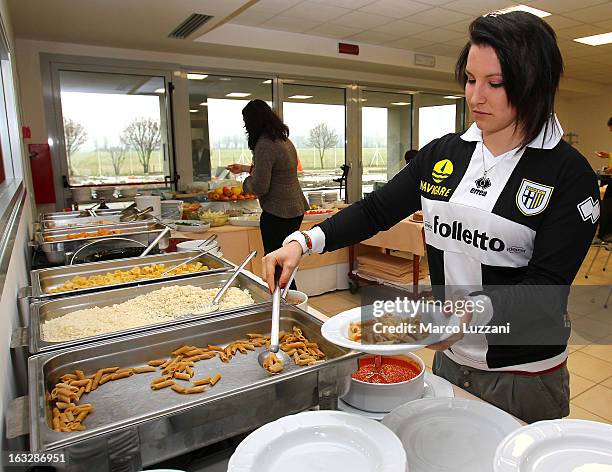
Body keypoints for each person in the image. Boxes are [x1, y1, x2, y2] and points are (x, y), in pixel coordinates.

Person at [261, 11, 600, 424]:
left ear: (535, 85)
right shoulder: (444, 154)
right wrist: (303, 242)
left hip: (522, 373)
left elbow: (545, 289)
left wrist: (469, 313)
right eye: (471, 80)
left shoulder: (568, 174)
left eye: (495, 84)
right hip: (450, 358)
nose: (476, 97)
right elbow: (376, 210)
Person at [227, 100, 308, 290]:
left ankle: (284, 306)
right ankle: (288, 301)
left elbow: (260, 186)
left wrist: (244, 185)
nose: (246, 127)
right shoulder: (283, 140)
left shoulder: (264, 144)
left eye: (246, 123)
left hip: (278, 213)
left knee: (277, 265)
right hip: (294, 209)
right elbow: (278, 169)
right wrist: (247, 168)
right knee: (286, 263)